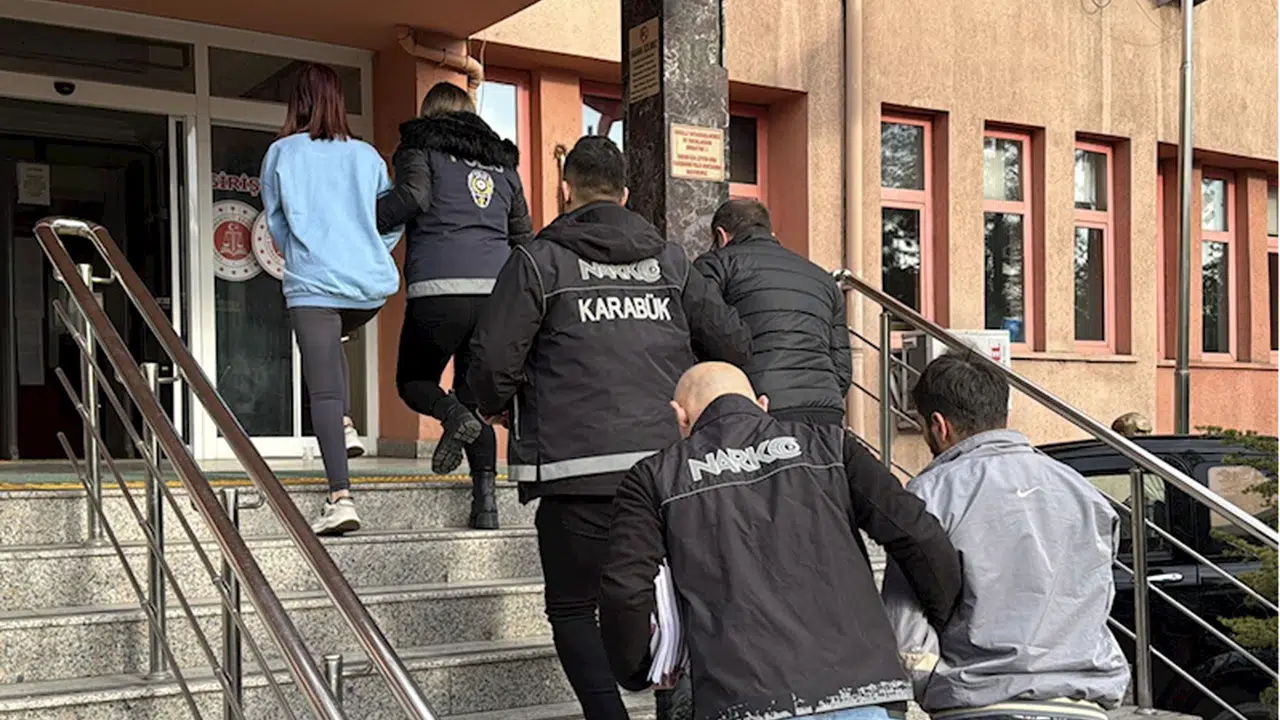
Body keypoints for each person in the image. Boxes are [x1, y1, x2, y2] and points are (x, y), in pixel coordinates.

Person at [467, 136, 752, 720]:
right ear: (625, 194)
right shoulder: (672, 262)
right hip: (668, 472)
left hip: (576, 474)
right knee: (676, 598)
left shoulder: (537, 262)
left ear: (565, 190)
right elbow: (732, 346)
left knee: (574, 607)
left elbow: (492, 362)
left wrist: (494, 405)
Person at [598, 362, 963, 720]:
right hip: (864, 688)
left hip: (742, 700)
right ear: (762, 404)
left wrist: (638, 671)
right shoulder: (832, 445)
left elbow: (626, 589)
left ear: (680, 416)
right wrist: (943, 619)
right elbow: (918, 535)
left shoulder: (653, 477)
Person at [882, 351, 1130, 720]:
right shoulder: (1084, 493)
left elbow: (904, 623)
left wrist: (934, 682)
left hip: (978, 703)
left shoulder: (929, 495)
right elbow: (1097, 598)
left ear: (939, 425)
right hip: (1081, 704)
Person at [376, 81, 533, 529]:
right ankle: (486, 509)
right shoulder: (502, 163)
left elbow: (413, 197)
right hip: (496, 295)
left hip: (439, 288)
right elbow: (523, 235)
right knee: (473, 393)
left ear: (430, 112)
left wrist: (359, 219)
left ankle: (452, 416)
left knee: (414, 381)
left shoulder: (420, 145)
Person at [260, 62, 402, 535]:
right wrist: (367, 250)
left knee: (322, 387)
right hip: (367, 289)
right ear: (339, 102)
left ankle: (341, 498)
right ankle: (342, 424)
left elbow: (276, 222)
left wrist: (303, 251)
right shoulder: (367, 156)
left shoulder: (282, 152)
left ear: (297, 102)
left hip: (315, 284)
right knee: (333, 340)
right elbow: (392, 218)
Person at [694, 198, 851, 426]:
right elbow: (842, 365)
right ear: (771, 232)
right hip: (825, 411)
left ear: (721, 235)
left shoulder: (715, 265)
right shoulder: (822, 278)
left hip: (758, 407)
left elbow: (703, 335)